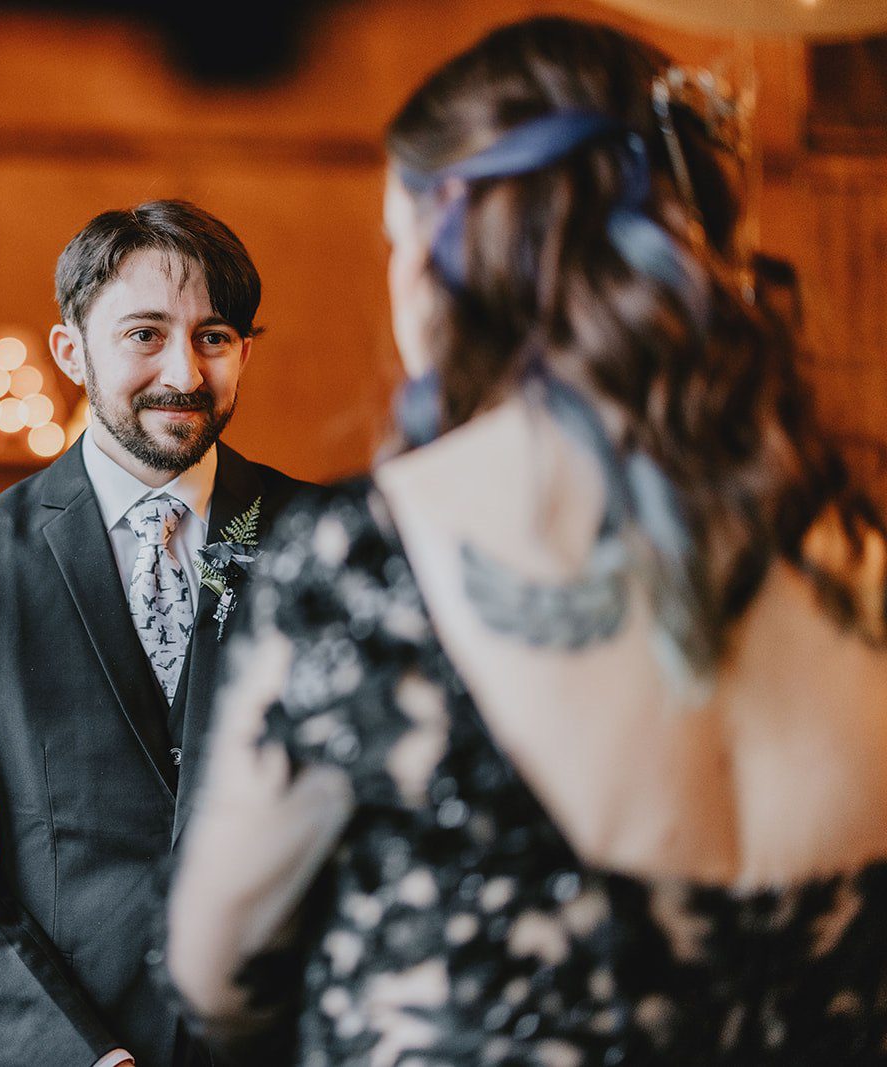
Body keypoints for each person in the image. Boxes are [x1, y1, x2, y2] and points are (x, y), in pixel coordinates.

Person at [166, 16, 887, 1065]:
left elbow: (216, 971)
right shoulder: (856, 551)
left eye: (393, 239)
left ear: (450, 240)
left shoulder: (371, 559)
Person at [0, 200, 310, 1067]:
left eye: (214, 337)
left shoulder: (318, 535)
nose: (182, 371)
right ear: (71, 349)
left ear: (244, 353)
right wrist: (76, 1055)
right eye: (145, 334)